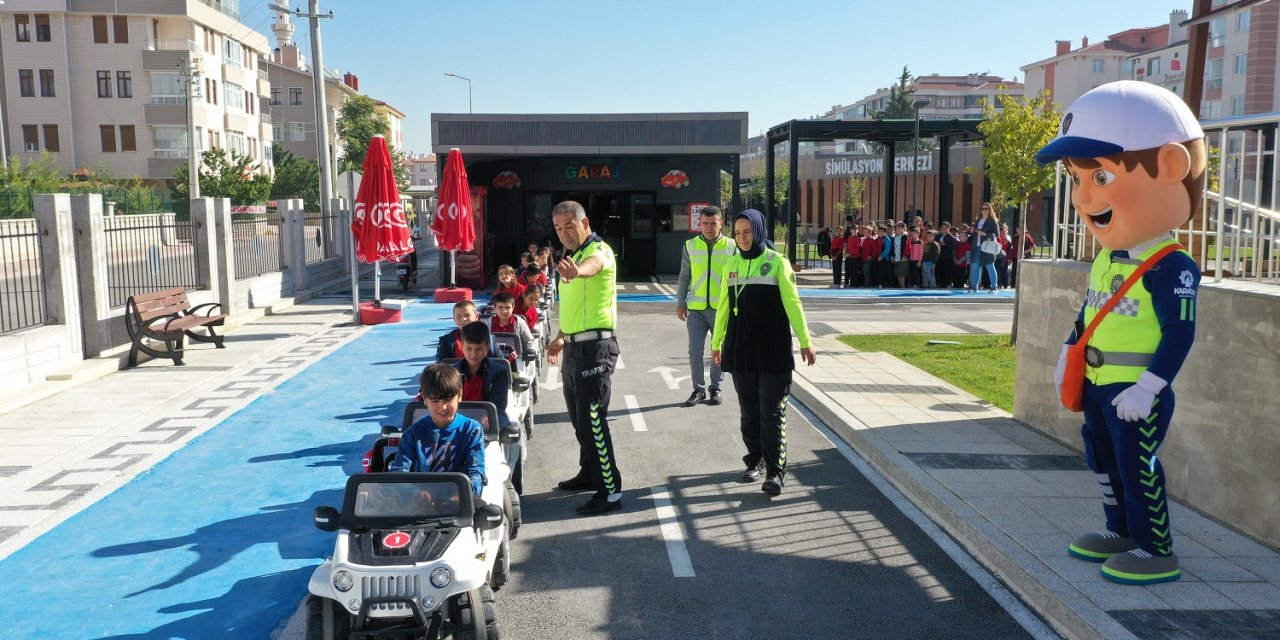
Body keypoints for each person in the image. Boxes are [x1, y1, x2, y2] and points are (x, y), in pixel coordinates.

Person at [1041, 81, 1205, 585]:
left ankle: (1157, 549)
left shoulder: (1170, 265)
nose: (1083, 197)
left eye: (1103, 176)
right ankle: (1121, 532)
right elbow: (1089, 314)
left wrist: (1149, 388)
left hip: (1135, 391)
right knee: (1103, 462)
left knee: (1138, 468)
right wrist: (1070, 351)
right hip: (1096, 384)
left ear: (1172, 169)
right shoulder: (1108, 258)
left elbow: (1180, 333)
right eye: (1076, 178)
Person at [711, 209, 817, 496]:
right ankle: (754, 460)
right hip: (741, 351)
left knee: (771, 413)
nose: (742, 238)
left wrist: (805, 340)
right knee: (749, 413)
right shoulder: (731, 265)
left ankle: (776, 472)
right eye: (738, 233)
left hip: (772, 352)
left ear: (759, 231)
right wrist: (717, 342)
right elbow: (723, 306)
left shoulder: (777, 262)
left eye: (747, 232)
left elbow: (793, 304)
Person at [545, 200, 624, 516]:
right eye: (558, 228)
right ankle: (590, 472)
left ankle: (611, 490)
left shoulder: (597, 252)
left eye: (569, 226)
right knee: (579, 421)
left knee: (593, 422)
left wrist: (579, 271)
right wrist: (561, 337)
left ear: (585, 223)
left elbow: (595, 266)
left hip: (596, 350)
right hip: (574, 349)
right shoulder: (570, 257)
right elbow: (575, 306)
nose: (563, 233)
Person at [393, 363, 486, 497]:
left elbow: (475, 471)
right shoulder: (412, 434)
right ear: (424, 398)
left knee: (489, 514)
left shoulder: (472, 430)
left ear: (459, 395)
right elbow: (400, 473)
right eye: (435, 400)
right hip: (420, 501)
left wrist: (465, 493)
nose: (442, 407)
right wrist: (414, 494)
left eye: (448, 399)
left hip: (458, 500)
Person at [675, 205, 734, 407]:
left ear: (721, 224)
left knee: (718, 349)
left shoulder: (732, 247)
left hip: (721, 309)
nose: (709, 227)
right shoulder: (690, 246)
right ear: (700, 224)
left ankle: (715, 387)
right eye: (705, 223)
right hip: (697, 309)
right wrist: (680, 303)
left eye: (713, 223)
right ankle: (698, 389)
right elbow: (684, 276)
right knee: (695, 351)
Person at [969, 204, 1000, 293]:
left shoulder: (993, 221)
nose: (984, 210)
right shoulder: (978, 220)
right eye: (982, 209)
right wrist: (972, 232)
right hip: (977, 246)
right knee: (976, 267)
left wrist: (985, 234)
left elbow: (997, 234)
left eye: (986, 208)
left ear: (990, 210)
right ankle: (974, 287)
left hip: (987, 247)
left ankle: (994, 287)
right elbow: (975, 233)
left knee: (990, 266)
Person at [937, 222, 957, 288]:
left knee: (946, 271)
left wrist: (945, 244)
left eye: (946, 228)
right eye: (942, 227)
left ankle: (946, 284)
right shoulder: (938, 235)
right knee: (939, 270)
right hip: (939, 257)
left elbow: (954, 247)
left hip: (947, 257)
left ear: (949, 228)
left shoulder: (951, 237)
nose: (944, 229)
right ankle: (939, 283)